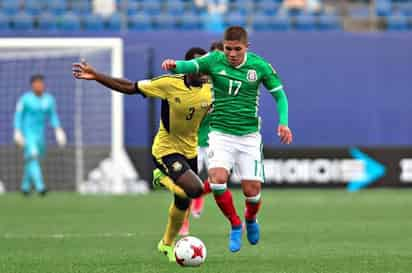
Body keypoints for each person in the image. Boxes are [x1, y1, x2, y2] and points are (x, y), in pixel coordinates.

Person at [72, 47, 211, 262]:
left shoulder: (211, 89)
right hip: (166, 150)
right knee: (194, 189)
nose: (202, 70)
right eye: (197, 65)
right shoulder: (169, 83)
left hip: (190, 151)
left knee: (182, 201)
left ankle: (166, 244)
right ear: (187, 68)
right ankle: (161, 177)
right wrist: (96, 75)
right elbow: (130, 87)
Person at [161, 26, 293, 252]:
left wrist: (283, 122)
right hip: (220, 134)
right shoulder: (214, 60)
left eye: (237, 49)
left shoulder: (259, 66)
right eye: (228, 49)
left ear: (246, 47)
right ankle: (235, 223)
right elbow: (193, 65)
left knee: (252, 192)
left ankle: (251, 219)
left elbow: (280, 95)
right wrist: (175, 65)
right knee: (217, 179)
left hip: (249, 137)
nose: (231, 54)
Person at [179, 41, 225, 236]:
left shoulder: (226, 81)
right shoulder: (199, 80)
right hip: (195, 140)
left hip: (217, 139)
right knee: (187, 185)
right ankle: (184, 223)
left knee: (218, 181)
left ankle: (200, 196)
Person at [14, 74, 67, 196]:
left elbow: (53, 115)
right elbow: (18, 115)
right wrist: (17, 131)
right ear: (32, 85)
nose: (39, 86)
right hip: (28, 134)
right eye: (36, 83)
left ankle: (25, 187)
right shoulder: (25, 99)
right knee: (33, 157)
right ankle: (40, 187)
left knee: (33, 160)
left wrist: (58, 129)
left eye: (41, 83)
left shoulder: (49, 100)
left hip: (40, 136)